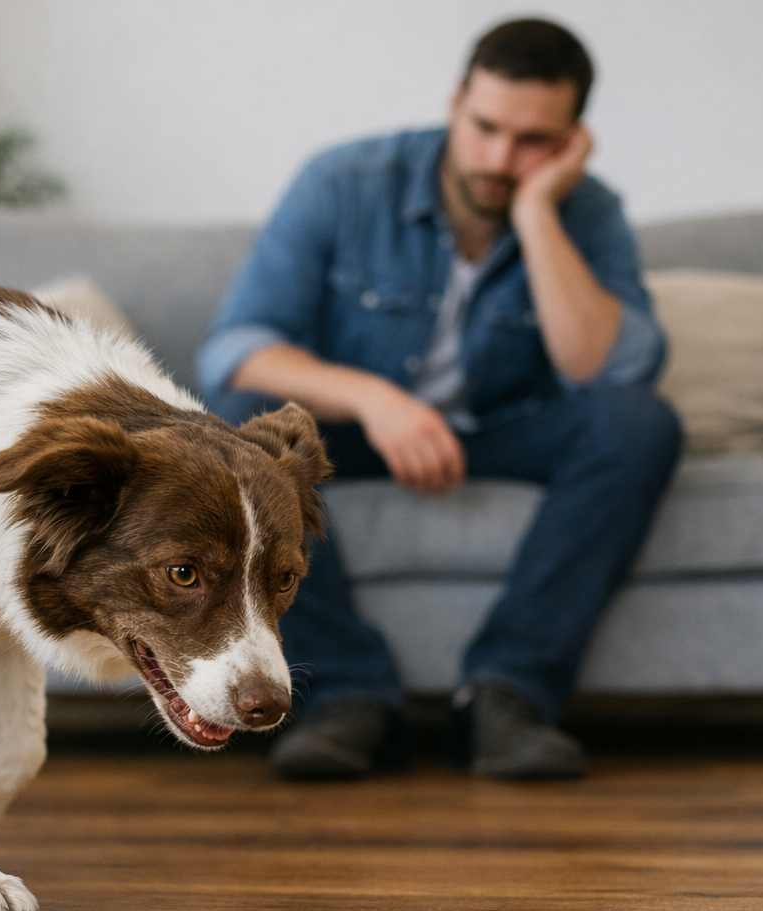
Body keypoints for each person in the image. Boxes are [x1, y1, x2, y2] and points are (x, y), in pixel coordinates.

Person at [197, 18, 682, 780]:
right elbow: (236, 347)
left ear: (570, 141)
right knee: (235, 415)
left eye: (532, 142)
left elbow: (609, 372)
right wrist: (378, 400)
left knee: (639, 422)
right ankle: (349, 697)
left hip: (502, 432)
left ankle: (505, 696)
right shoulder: (342, 182)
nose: (499, 159)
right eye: (486, 127)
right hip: (352, 434)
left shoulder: (587, 212)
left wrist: (536, 213)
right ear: (456, 101)